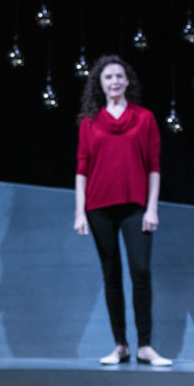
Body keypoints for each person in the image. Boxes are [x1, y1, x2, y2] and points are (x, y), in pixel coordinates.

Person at [73, 54, 172, 367]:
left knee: (140, 272)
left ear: (127, 81)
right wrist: (79, 212)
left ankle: (145, 346)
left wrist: (152, 208)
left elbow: (153, 167)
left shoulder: (144, 119)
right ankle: (120, 345)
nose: (114, 81)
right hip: (98, 207)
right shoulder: (89, 123)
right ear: (100, 85)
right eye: (108, 77)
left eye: (119, 76)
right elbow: (82, 170)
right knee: (111, 275)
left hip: (135, 206)